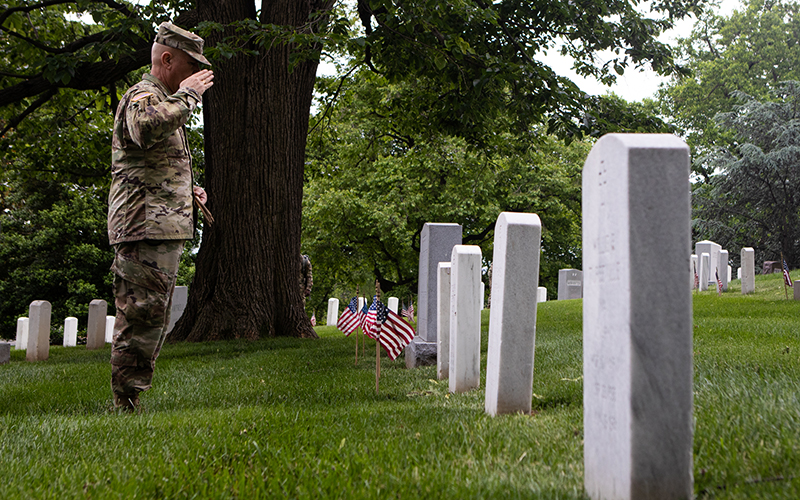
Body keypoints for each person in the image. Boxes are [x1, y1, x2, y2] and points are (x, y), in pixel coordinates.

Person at [107, 22, 214, 411]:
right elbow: (144, 129)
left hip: (158, 224)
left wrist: (188, 190)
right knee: (140, 315)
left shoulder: (162, 98)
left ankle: (130, 397)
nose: (194, 77)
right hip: (143, 226)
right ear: (167, 59)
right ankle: (125, 402)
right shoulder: (144, 95)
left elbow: (153, 163)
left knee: (152, 315)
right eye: (190, 67)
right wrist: (188, 96)